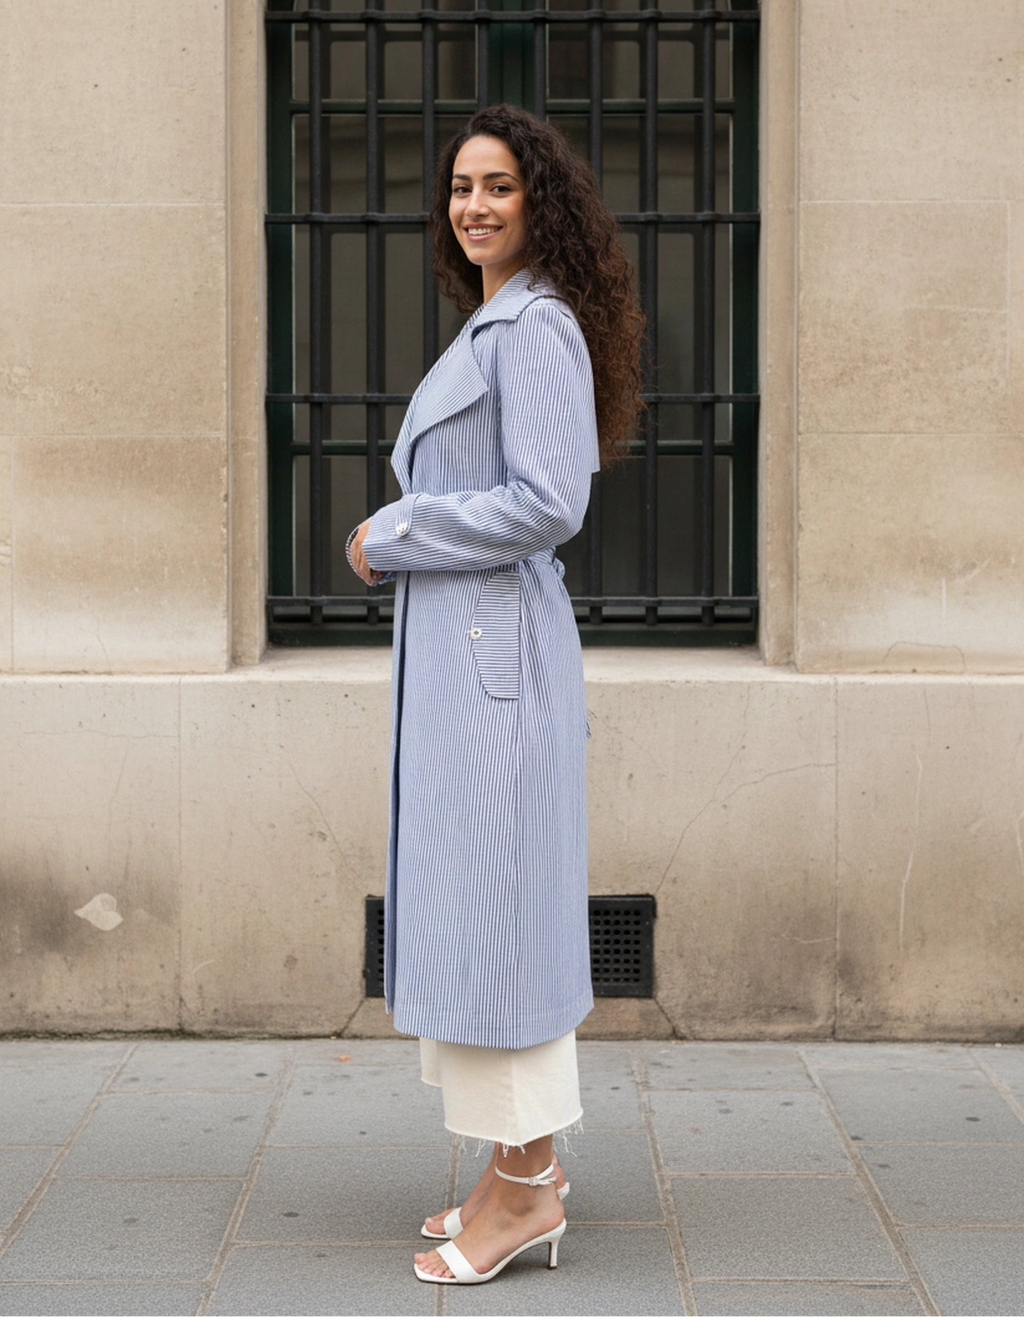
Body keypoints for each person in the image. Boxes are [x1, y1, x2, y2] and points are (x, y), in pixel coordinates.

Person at [347, 103, 644, 1286]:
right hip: (472, 660)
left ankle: (525, 1190)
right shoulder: (498, 320)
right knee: (474, 910)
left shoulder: (532, 327)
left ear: (540, 202)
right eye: (461, 187)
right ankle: (514, 1170)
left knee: (499, 918)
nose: (474, 205)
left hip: (494, 666)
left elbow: (549, 502)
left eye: (499, 186)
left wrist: (395, 530)